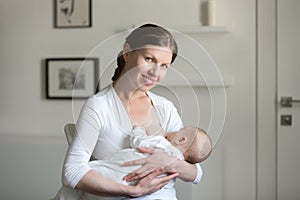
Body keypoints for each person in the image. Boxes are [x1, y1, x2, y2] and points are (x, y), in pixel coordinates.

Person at [53, 23, 204, 200]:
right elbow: (72, 171)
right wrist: (132, 191)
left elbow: (195, 173)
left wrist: (170, 164)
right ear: (127, 52)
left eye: (164, 66)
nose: (156, 73)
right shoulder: (99, 106)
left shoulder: (165, 107)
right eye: (149, 59)